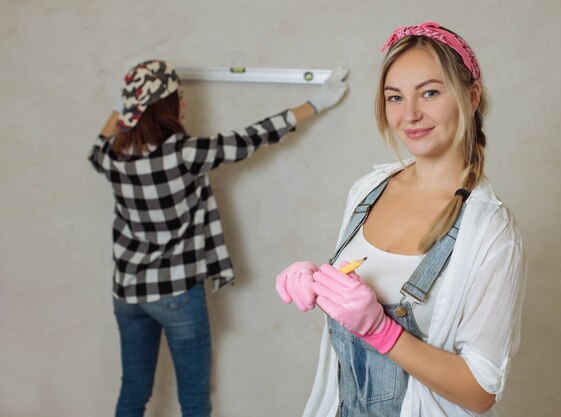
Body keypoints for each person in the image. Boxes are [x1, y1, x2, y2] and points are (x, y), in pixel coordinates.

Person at [275, 22, 526, 417]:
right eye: (395, 97)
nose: (410, 115)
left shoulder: (489, 229)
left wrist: (383, 331)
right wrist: (319, 281)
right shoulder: (367, 189)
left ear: (471, 96)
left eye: (429, 92)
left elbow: (480, 392)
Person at [88, 59, 348, 417]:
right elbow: (251, 137)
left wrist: (126, 106)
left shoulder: (112, 155)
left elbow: (98, 145)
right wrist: (317, 103)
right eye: (178, 95)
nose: (185, 101)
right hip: (176, 293)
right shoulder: (185, 154)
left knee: (133, 390)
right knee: (194, 398)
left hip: (128, 293)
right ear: (166, 105)